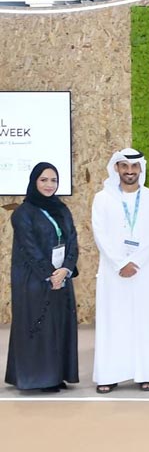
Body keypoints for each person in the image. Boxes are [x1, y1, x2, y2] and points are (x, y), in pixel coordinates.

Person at [91, 148, 149, 394]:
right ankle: (109, 374)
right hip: (113, 271)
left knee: (145, 321)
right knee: (114, 322)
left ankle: (147, 373)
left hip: (145, 270)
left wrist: (136, 262)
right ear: (116, 168)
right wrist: (120, 263)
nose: (130, 171)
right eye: (124, 166)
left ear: (140, 169)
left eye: (134, 166)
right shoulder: (102, 198)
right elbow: (100, 234)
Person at [5, 162, 79, 392]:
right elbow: (30, 248)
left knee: (59, 325)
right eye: (44, 180)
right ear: (34, 181)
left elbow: (72, 241)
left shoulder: (62, 209)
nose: (49, 185)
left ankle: (58, 374)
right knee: (40, 327)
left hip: (61, 277)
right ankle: (40, 378)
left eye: (53, 180)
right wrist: (50, 275)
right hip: (33, 280)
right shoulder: (23, 213)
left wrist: (65, 269)